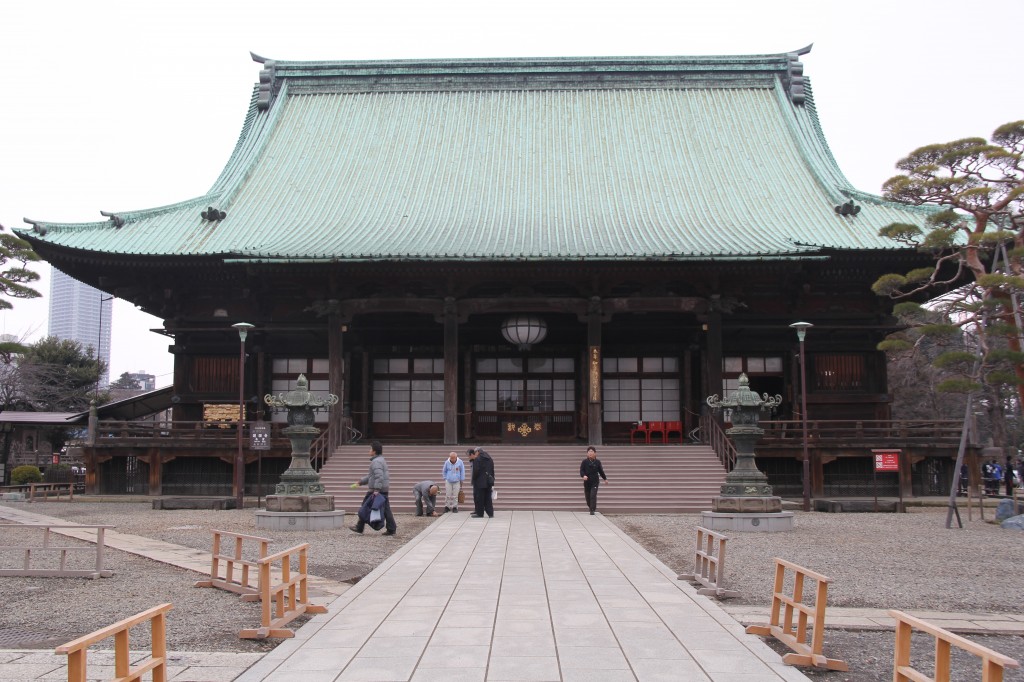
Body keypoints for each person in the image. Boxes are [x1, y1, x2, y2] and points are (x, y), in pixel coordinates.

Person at [349, 441, 397, 535]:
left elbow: (379, 476)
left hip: (376, 490)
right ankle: (391, 528)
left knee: (365, 506)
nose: (369, 450)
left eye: (370, 449)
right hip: (383, 489)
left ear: (374, 451)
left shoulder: (376, 462)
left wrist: (376, 490)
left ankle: (359, 527)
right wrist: (361, 482)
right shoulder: (380, 460)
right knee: (386, 509)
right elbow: (372, 476)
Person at [579, 445, 608, 515]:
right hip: (587, 482)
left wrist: (605, 479)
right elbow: (581, 470)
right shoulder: (584, 462)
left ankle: (592, 509)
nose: (590, 453)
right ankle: (590, 506)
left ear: (595, 453)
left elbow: (601, 471)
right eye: (589, 452)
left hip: (595, 481)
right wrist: (583, 475)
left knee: (593, 495)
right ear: (587, 453)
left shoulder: (597, 462)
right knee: (588, 496)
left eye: (592, 452)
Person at [467, 447, 495, 518]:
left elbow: (476, 471)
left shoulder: (478, 459)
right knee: (488, 498)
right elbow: (492, 470)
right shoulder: (489, 458)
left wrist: (474, 479)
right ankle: (490, 513)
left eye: (475, 452)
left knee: (480, 498)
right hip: (489, 481)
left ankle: (480, 513)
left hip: (480, 482)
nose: (475, 454)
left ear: (478, 452)